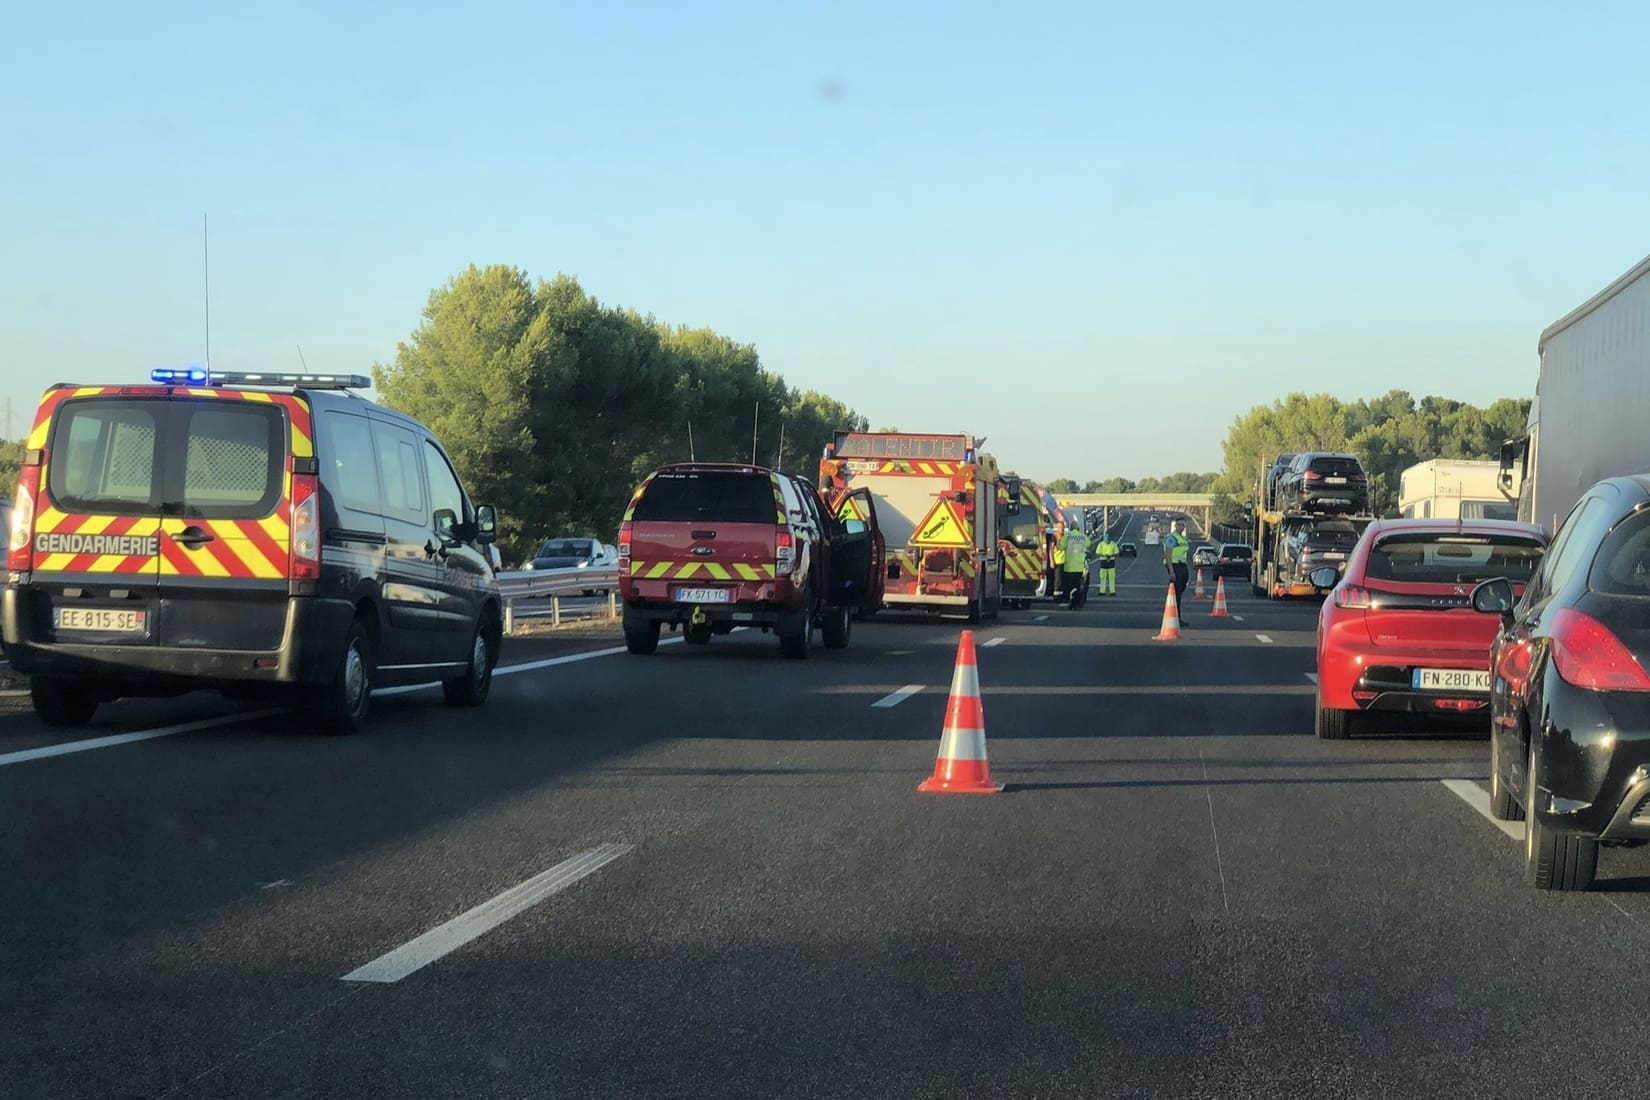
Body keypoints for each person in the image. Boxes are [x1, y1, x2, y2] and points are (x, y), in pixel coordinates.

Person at [1163, 518, 1191, 625]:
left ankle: (1176, 617)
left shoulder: (1182, 538)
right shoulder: (1172, 538)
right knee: (1176, 593)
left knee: (1179, 593)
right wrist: (1171, 571)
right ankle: (1175, 618)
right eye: (1179, 525)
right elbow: (1168, 555)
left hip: (1182, 566)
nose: (1181, 527)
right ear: (1175, 526)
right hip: (1175, 566)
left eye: (1183, 525)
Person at [1061, 525, 1089, 609]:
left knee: (1068, 587)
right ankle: (1077, 602)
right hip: (1079, 567)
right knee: (1078, 586)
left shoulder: (1067, 536)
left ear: (1070, 528)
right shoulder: (1083, 536)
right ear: (1078, 529)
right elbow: (1087, 545)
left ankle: (1069, 601)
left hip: (1068, 567)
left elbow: (1061, 547)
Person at [1094, 531, 1120, 596]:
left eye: (1108, 537)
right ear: (1104, 538)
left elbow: (1117, 553)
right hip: (1103, 562)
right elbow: (1097, 554)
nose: (1107, 539)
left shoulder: (1113, 544)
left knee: (1111, 577)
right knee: (1103, 577)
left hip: (1111, 562)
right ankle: (1102, 591)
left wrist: (1111, 556)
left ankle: (1112, 591)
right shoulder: (1101, 544)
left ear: (1110, 538)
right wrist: (1104, 556)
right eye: (1106, 537)